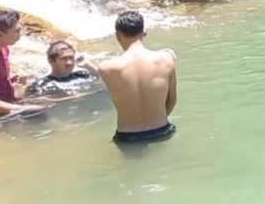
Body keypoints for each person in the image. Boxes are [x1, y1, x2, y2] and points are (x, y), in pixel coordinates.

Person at [98, 11, 178, 145]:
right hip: (162, 130)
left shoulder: (106, 68)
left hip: (127, 137)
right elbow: (172, 100)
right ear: (144, 31)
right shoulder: (166, 60)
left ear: (118, 35)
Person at [0, 10, 49, 116]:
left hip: (6, 105)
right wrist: (22, 109)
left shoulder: (3, 48)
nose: (21, 34)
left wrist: (12, 77)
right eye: (17, 31)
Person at [24, 41, 99, 99]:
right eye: (63, 59)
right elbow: (34, 102)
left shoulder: (82, 75)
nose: (69, 62)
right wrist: (68, 98)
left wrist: (89, 66)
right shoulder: (41, 85)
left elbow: (103, 81)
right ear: (51, 61)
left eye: (71, 58)